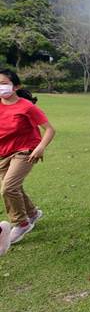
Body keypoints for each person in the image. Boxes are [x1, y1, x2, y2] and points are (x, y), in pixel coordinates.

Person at [0, 69, 55, 256]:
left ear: (16, 86)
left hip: (26, 151)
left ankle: (21, 223)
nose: (0, 87)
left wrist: (40, 147)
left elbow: (49, 129)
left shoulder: (26, 107)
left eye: (3, 83)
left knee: (8, 188)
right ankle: (32, 213)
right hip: (3, 153)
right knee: (15, 187)